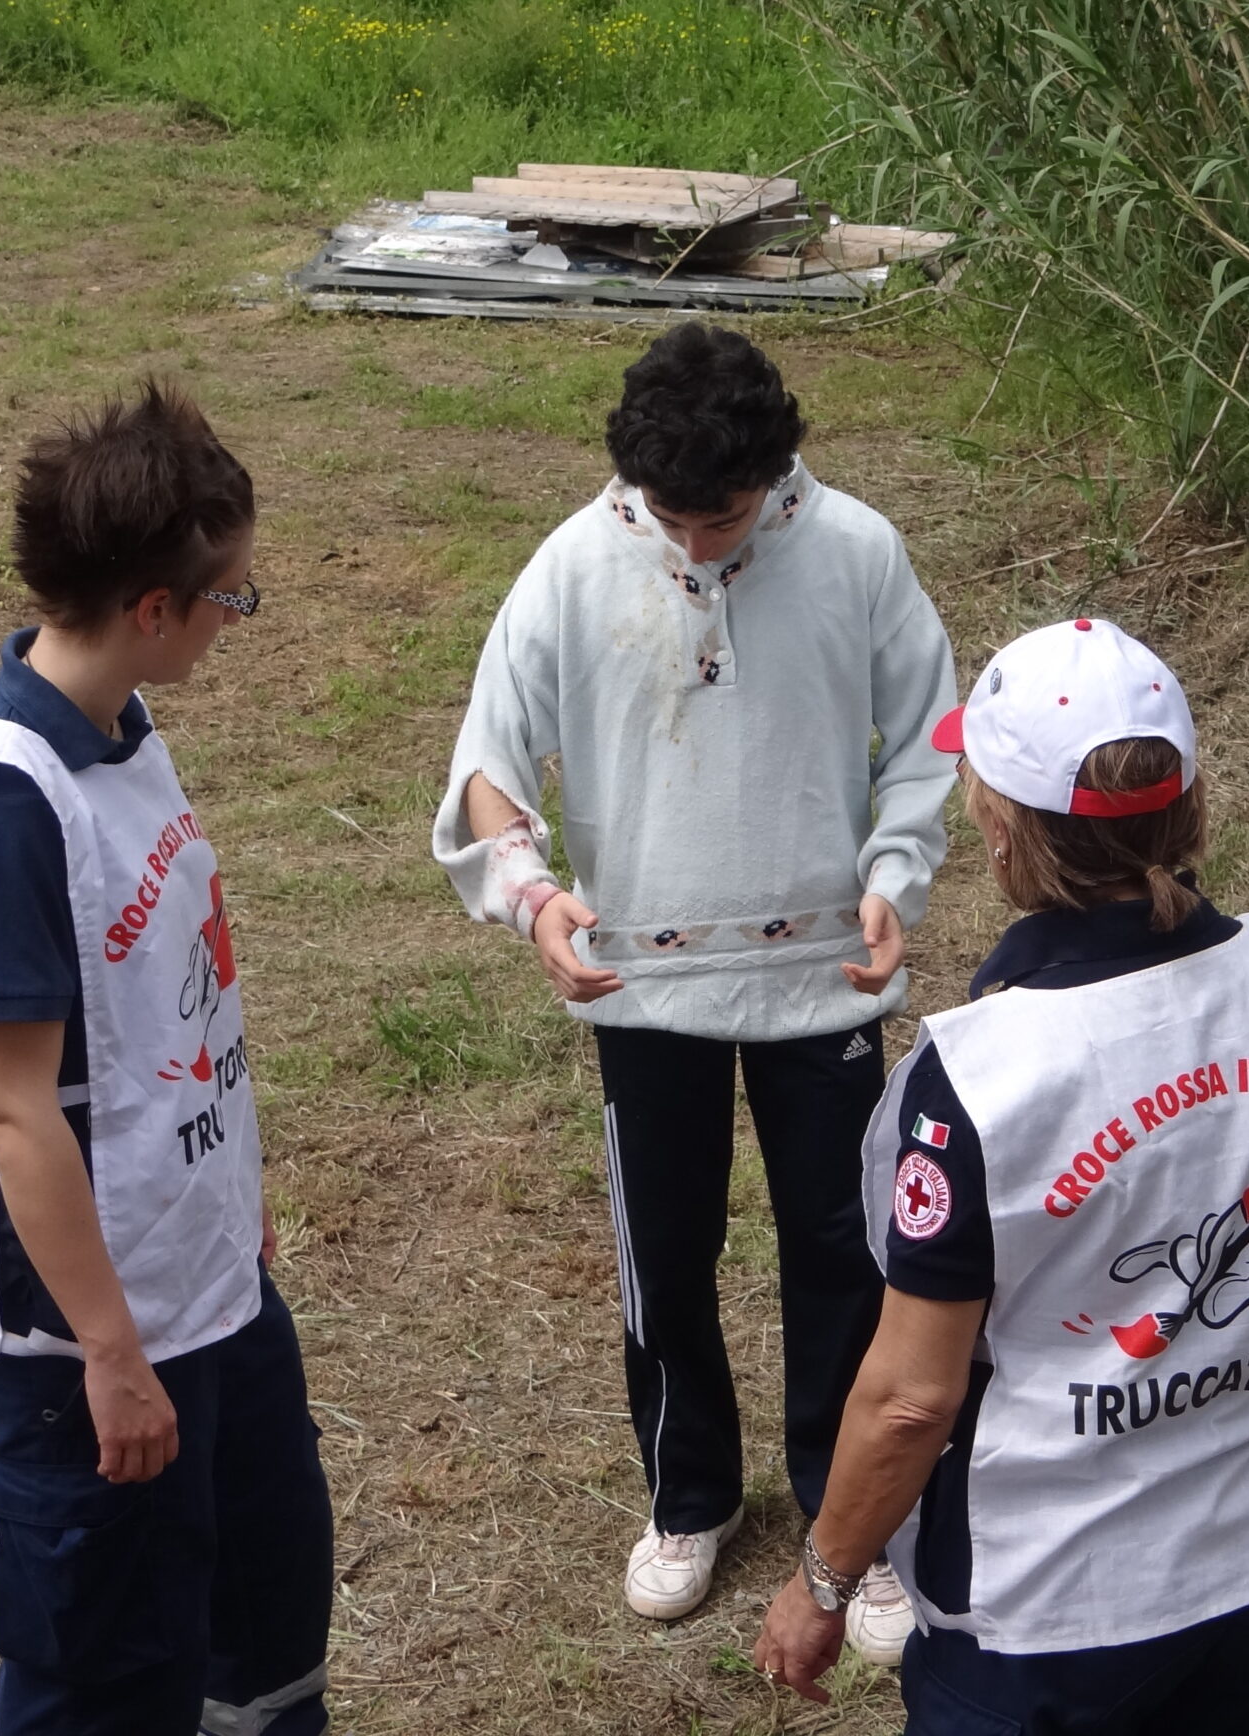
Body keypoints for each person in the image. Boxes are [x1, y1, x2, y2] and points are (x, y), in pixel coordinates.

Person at [753, 617, 1249, 1734]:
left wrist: (821, 1581)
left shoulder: (984, 1075)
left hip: (1050, 1616)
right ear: (1188, 804)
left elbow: (911, 1398)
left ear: (1000, 832)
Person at [432, 322, 958, 1648]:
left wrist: (896, 871)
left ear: (778, 473)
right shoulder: (573, 563)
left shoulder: (858, 553)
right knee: (665, 1252)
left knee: (846, 1252)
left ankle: (854, 1521)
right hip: (643, 989)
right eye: (674, 516)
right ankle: (690, 1496)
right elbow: (492, 760)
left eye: (722, 515)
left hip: (824, 975)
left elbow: (934, 736)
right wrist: (535, 894)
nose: (699, 542)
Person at [0, 382, 333, 1736]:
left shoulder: (118, 731)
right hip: (87, 1337)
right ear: (153, 605)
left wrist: (226, 1211)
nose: (235, 621)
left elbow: (160, 1011)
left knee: (263, 1620)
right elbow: (13, 1111)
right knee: (112, 1674)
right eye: (230, 599)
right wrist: (110, 1355)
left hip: (201, 1280)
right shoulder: (11, 808)